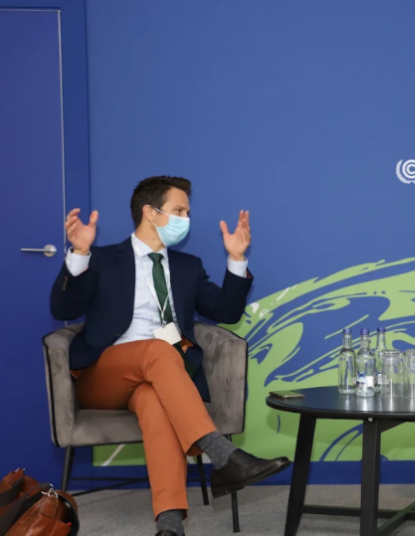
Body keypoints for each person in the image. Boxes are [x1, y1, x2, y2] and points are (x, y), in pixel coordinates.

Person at [50, 176, 290, 536]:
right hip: (104, 375)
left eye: (187, 212)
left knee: (155, 403)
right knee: (157, 350)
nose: (186, 219)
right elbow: (62, 308)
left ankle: (170, 523)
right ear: (150, 212)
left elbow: (225, 312)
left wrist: (237, 259)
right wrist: (79, 254)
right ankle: (221, 453)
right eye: (179, 210)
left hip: (160, 376)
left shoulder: (187, 266)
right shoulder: (103, 259)